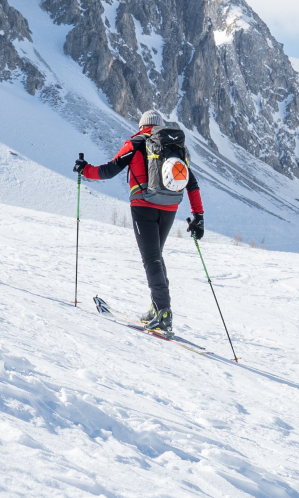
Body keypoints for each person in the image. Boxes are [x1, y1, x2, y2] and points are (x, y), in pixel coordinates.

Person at [75, 110, 205, 335]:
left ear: (142, 125)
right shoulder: (175, 149)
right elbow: (191, 183)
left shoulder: (135, 142)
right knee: (156, 256)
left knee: (151, 258)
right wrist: (198, 216)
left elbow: (108, 170)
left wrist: (85, 169)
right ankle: (158, 307)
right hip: (170, 208)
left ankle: (164, 312)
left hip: (143, 206)